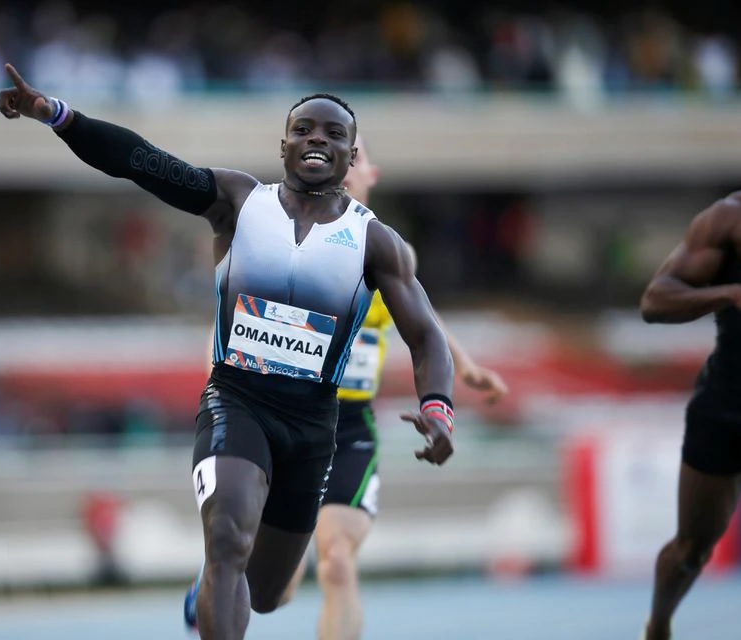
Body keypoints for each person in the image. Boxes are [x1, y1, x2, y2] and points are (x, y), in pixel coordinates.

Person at [0, 64, 456, 640]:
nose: (318, 139)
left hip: (313, 425)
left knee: (265, 591)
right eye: (305, 129)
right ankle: (218, 580)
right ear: (283, 145)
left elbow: (428, 336)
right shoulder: (240, 201)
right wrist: (57, 115)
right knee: (227, 542)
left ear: (350, 153)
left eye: (334, 134)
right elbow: (142, 162)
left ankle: (216, 589)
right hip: (236, 402)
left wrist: (439, 409)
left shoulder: (375, 241)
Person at [184, 134, 508, 637]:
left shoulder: (383, 248)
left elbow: (423, 323)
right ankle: (222, 573)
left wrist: (461, 367)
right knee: (273, 589)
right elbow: (236, 316)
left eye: (354, 162)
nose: (340, 170)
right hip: (280, 418)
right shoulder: (281, 237)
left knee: (336, 560)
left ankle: (228, 570)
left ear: (367, 174)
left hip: (348, 430)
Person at [639, 191, 741, 640]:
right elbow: (655, 301)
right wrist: (730, 293)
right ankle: (659, 625)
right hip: (730, 407)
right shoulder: (729, 220)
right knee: (692, 549)